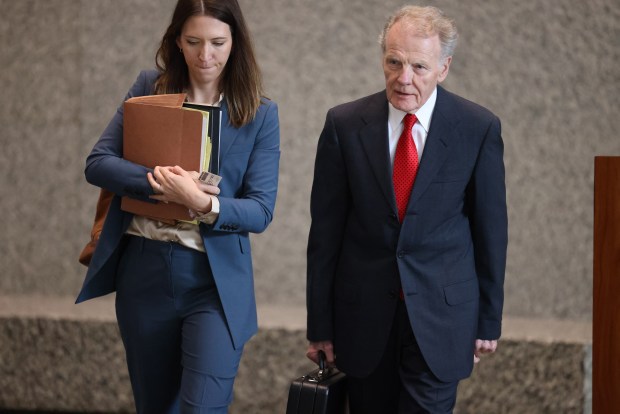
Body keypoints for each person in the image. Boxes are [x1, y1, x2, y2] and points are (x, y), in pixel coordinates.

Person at [76, 0, 280, 412]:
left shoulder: (260, 113)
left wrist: (202, 202)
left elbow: (260, 210)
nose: (206, 55)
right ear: (177, 42)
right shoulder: (149, 88)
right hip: (143, 273)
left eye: (218, 42)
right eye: (194, 41)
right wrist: (163, 184)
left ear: (236, 43)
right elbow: (98, 164)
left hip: (214, 282)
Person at [306, 5, 507, 413]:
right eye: (394, 62)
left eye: (419, 66)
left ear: (443, 67)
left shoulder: (477, 128)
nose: (404, 78)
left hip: (441, 318)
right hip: (363, 319)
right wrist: (320, 326)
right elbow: (325, 235)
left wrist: (488, 320)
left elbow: (491, 231)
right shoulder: (343, 125)